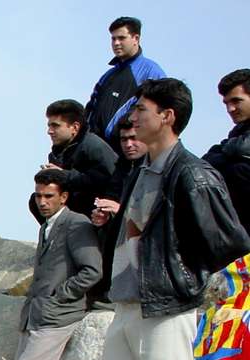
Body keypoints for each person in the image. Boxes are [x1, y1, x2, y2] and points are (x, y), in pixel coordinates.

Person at [92, 78, 250, 360]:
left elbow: (230, 243)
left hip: (167, 309)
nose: (133, 117)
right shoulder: (140, 170)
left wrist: (187, 281)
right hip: (127, 305)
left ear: (166, 116)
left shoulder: (194, 174)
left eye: (141, 109)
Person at [6, 169, 102, 360]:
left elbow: (92, 270)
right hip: (36, 315)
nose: (42, 202)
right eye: (38, 196)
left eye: (49, 196)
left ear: (64, 197)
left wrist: (60, 294)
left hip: (57, 317)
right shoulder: (48, 225)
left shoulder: (76, 224)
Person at [85, 17, 165, 152]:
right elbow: (90, 109)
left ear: (136, 38)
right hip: (96, 151)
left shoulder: (151, 71)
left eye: (121, 38)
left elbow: (157, 115)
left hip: (127, 151)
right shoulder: (107, 76)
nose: (116, 43)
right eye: (113, 39)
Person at [29, 99, 117, 222]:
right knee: (37, 199)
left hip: (97, 217)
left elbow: (110, 181)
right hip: (72, 213)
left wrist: (64, 175)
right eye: (49, 126)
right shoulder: (57, 153)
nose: (49, 131)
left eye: (55, 126)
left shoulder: (94, 146)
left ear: (75, 127)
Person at [203, 69, 250, 234]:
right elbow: (208, 160)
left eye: (237, 101)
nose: (230, 109)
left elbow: (241, 149)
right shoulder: (238, 131)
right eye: (226, 103)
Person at [91, 117, 148, 224]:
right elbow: (111, 197)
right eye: (124, 139)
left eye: (133, 138)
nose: (128, 145)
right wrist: (104, 215)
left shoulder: (156, 168)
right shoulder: (121, 166)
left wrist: (121, 211)